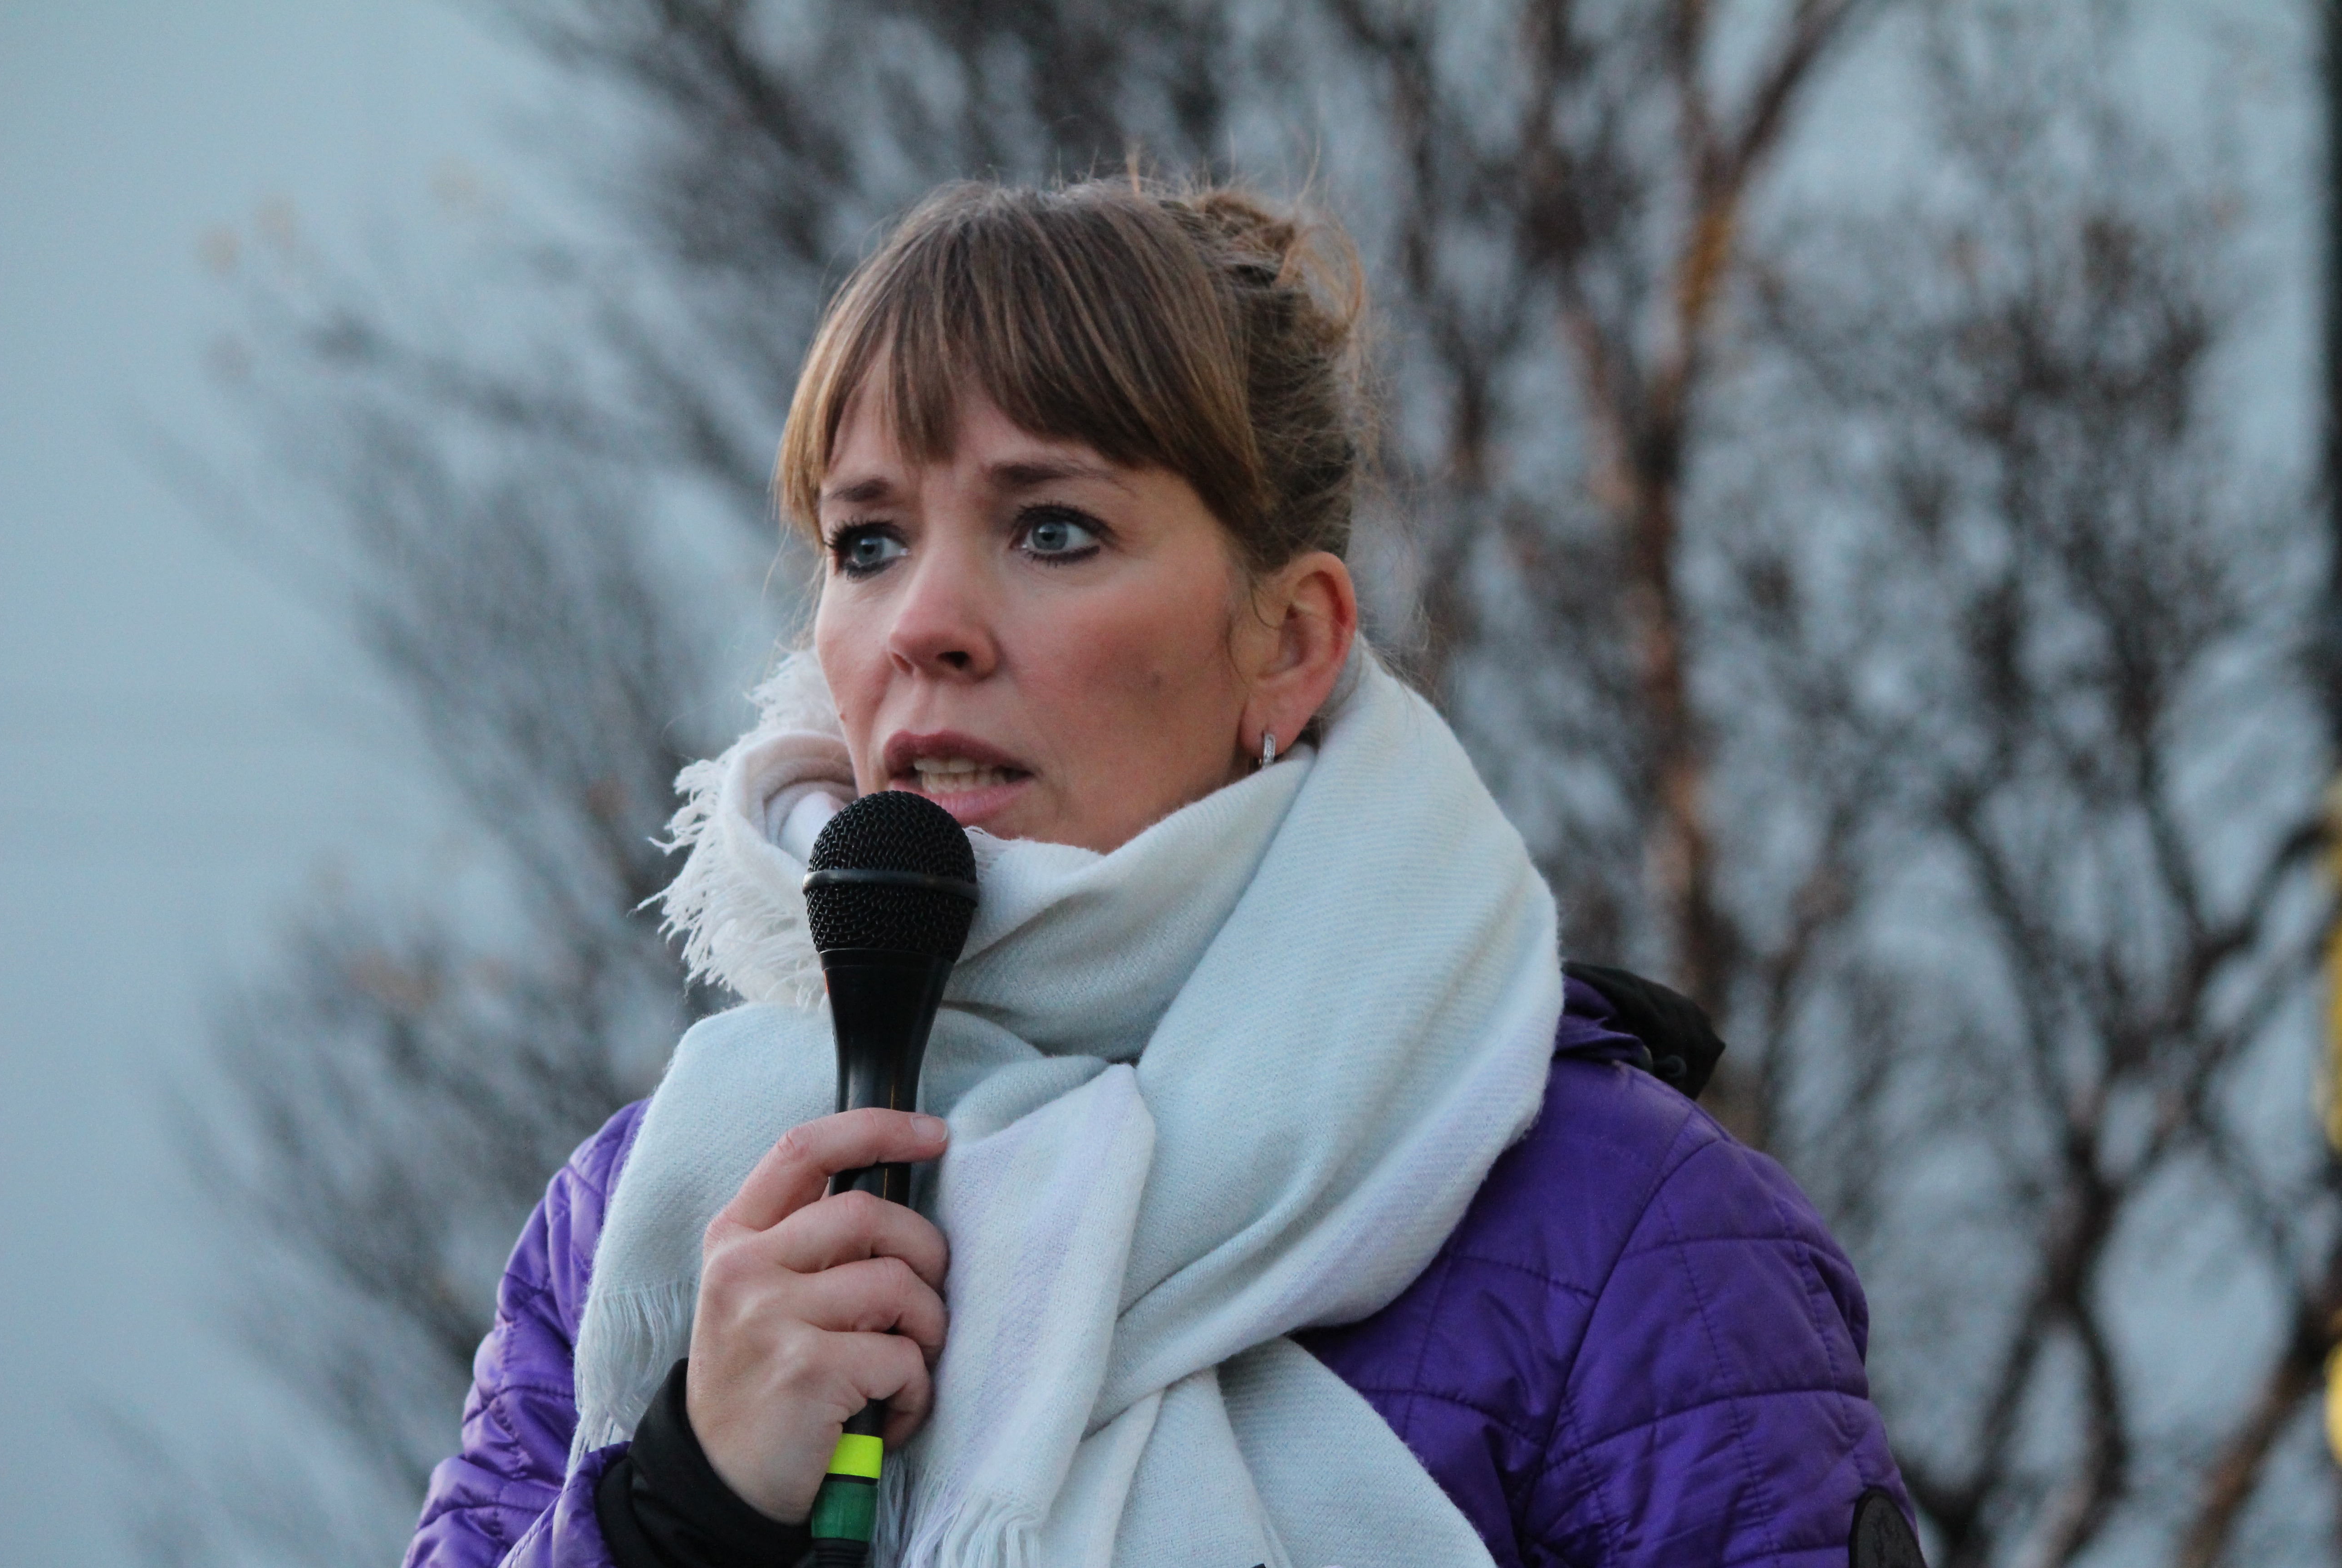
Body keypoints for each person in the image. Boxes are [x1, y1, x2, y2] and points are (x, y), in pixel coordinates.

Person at [404, 176, 1915, 1568]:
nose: (926, 620)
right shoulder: (662, 1211)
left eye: (1051, 528)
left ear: (1292, 642)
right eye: (867, 542)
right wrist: (683, 1500)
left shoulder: (1623, 1232)